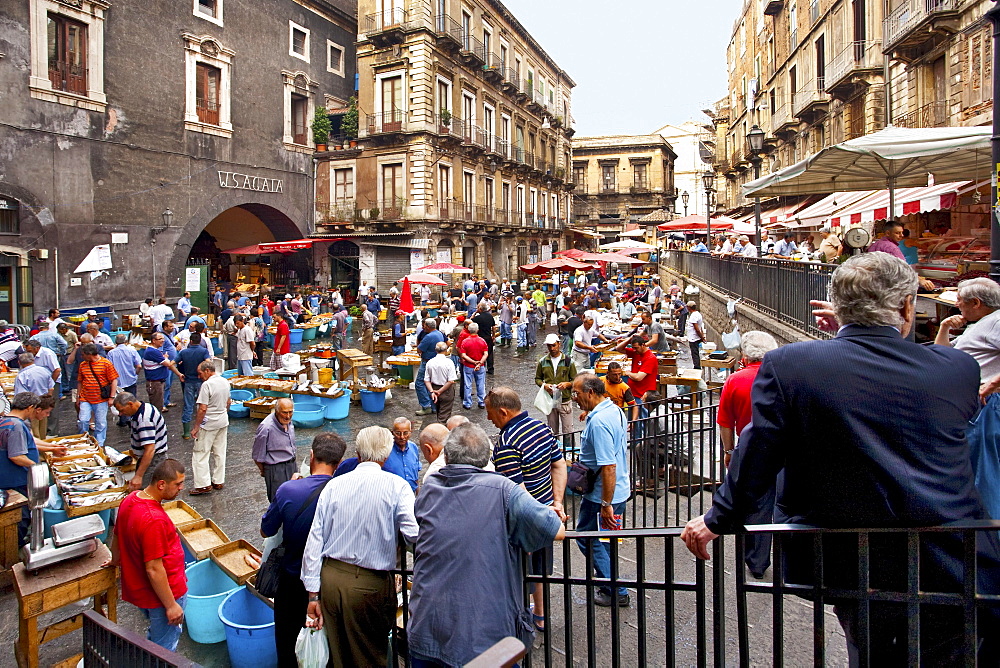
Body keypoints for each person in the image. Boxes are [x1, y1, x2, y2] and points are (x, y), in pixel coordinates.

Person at [683, 252, 1000, 665]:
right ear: (907, 307)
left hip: (849, 559)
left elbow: (758, 452)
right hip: (949, 556)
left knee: (868, 651)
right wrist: (859, 331)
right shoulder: (957, 369)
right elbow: (900, 370)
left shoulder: (791, 365)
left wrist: (716, 520)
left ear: (839, 306)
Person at [407, 423, 565, 665]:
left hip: (427, 624)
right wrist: (552, 512)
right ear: (486, 457)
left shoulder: (429, 488)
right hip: (485, 637)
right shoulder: (503, 489)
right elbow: (554, 529)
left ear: (447, 456)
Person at [302, 426, 418, 668]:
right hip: (369, 583)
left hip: (331, 580)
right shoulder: (398, 487)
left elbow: (315, 541)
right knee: (369, 654)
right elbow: (413, 536)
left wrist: (313, 593)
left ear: (358, 453)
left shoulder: (334, 485)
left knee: (338, 653)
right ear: (385, 456)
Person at [486, 388, 567, 631]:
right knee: (541, 570)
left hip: (525, 521)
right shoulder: (542, 428)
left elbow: (518, 494)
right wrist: (556, 504)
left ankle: (519, 620)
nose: (489, 419)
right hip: (546, 513)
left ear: (503, 411)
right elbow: (559, 465)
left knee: (519, 573)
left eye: (491, 414)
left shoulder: (507, 444)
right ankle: (540, 615)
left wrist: (538, 516)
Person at [261, 432, 345, 666]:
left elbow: (266, 530)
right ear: (338, 464)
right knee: (326, 644)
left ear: (311, 456)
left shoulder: (288, 490)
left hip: (291, 578)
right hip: (328, 581)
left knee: (287, 643)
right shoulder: (343, 492)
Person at [933, 277, 1000, 518]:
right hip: (973, 403)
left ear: (976, 303)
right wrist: (945, 328)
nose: (957, 307)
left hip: (987, 404)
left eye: (961, 303)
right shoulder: (981, 323)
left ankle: (989, 533)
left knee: (985, 469)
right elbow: (944, 355)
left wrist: (995, 382)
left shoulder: (996, 322)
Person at [106, 459, 188, 652]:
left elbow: (118, 534)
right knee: (164, 649)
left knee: (157, 637)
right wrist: (171, 606)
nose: (181, 488)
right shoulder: (154, 519)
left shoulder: (131, 498)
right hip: (163, 594)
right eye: (177, 484)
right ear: (161, 484)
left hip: (143, 591)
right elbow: (153, 569)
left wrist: (114, 560)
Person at [716, 330, 779, 578]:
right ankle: (780, 559)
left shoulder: (735, 380)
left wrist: (729, 451)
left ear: (744, 354)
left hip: (751, 448)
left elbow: (725, 422)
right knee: (779, 503)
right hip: (783, 447)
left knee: (754, 504)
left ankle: (755, 559)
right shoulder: (783, 376)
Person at [571, 372, 631, 607]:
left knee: (587, 538)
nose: (574, 397)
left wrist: (605, 504)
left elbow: (608, 467)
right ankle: (609, 579)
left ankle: (616, 589)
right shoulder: (613, 409)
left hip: (602, 496)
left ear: (591, 392)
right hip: (617, 491)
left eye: (576, 393)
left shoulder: (599, 422)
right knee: (604, 539)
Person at [0, 392, 67, 544]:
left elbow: (29, 442)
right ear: (30, 408)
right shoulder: (16, 426)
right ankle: (13, 549)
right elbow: (16, 456)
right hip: (16, 480)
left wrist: (52, 447)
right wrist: (36, 466)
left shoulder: (6, 422)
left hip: (8, 479)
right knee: (21, 518)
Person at [188, 361, 230, 495]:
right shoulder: (225, 381)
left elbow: (202, 409)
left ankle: (203, 484)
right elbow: (228, 402)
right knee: (220, 451)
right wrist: (223, 414)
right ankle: (218, 480)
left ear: (207, 370)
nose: (199, 376)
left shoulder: (207, 385)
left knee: (200, 453)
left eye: (200, 373)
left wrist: (196, 426)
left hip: (209, 423)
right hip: (223, 421)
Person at [114, 392, 169, 490]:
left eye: (122, 410)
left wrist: (139, 476)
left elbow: (149, 450)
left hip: (153, 460)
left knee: (147, 492)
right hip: (151, 458)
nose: (121, 414)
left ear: (130, 404)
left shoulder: (144, 420)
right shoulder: (146, 407)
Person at [253, 398, 296, 502]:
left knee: (294, 498)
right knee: (277, 501)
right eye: (284, 413)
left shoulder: (288, 422)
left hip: (291, 465)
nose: (288, 416)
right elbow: (257, 456)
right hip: (275, 470)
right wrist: (265, 471)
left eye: (290, 412)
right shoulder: (266, 428)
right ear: (277, 411)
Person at [535, 332, 577, 439]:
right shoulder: (543, 362)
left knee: (568, 431)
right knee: (552, 431)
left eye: (554, 345)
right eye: (549, 346)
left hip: (565, 400)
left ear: (559, 344)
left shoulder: (568, 361)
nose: (552, 348)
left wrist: (567, 384)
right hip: (550, 400)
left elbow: (575, 381)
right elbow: (537, 379)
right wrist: (544, 385)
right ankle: (555, 451)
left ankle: (569, 453)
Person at [75, 343, 118, 446]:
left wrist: (111, 397)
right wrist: (78, 396)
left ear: (89, 354)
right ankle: (83, 440)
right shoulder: (83, 365)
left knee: (101, 423)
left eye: (83, 354)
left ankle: (99, 443)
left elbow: (113, 380)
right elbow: (80, 381)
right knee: (83, 420)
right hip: (85, 398)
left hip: (101, 399)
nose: (82, 357)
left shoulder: (106, 364)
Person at [176, 332, 210, 440]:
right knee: (203, 405)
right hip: (200, 381)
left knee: (188, 406)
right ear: (200, 341)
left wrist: (179, 374)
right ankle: (203, 428)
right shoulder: (203, 351)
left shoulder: (184, 352)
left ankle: (186, 432)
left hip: (188, 381)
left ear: (190, 341)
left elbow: (171, 363)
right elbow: (208, 362)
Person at [15, 353, 55, 438]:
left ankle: (39, 449)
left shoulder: (22, 375)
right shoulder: (44, 370)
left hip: (31, 406)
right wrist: (48, 400)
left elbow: (21, 395)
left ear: (19, 363)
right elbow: (51, 388)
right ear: (33, 360)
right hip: (44, 402)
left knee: (34, 432)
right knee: (42, 430)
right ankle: (44, 448)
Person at [142, 332, 181, 412]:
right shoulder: (153, 352)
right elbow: (168, 364)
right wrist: (167, 358)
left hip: (158, 382)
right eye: (160, 339)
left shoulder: (155, 351)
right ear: (153, 340)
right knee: (157, 408)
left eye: (163, 339)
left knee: (158, 405)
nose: (163, 341)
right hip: (155, 383)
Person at [108, 334, 142, 426]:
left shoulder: (111, 353)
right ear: (126, 341)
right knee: (131, 399)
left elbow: (109, 367)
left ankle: (123, 420)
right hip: (130, 379)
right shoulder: (132, 350)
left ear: (116, 342)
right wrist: (136, 373)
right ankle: (132, 418)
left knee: (120, 401)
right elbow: (139, 365)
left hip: (117, 381)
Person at [615, 334, 660, 403]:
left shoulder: (650, 358)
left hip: (642, 395)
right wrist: (629, 340)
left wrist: (628, 373)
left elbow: (638, 377)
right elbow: (618, 348)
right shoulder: (636, 352)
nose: (634, 350)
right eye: (633, 348)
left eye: (636, 348)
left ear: (643, 345)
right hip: (634, 393)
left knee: (640, 413)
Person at [414, 318, 446, 416]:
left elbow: (419, 350)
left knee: (419, 383)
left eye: (424, 326)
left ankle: (426, 405)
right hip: (436, 361)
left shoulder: (429, 336)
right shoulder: (439, 333)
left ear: (428, 326)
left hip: (427, 362)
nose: (423, 328)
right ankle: (433, 406)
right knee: (431, 384)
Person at [424, 341, 457, 423]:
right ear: (446, 350)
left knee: (439, 412)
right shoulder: (449, 362)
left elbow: (426, 380)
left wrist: (432, 391)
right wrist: (440, 391)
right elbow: (450, 381)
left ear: (435, 350)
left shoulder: (430, 362)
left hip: (434, 388)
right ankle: (441, 432)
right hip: (446, 390)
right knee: (444, 416)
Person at [458, 321, 489, 410]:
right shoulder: (482, 341)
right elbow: (485, 354)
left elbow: (463, 355)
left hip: (468, 366)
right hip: (480, 365)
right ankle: (481, 401)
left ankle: (468, 402)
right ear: (477, 330)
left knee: (467, 384)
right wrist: (479, 363)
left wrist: (473, 362)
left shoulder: (465, 341)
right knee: (481, 384)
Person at [385, 417, 420, 492]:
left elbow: (415, 473)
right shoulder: (386, 451)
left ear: (410, 432)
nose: (402, 437)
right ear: (392, 433)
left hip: (411, 492)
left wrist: (418, 492)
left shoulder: (414, 448)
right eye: (398, 433)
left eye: (405, 433)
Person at [472, 303, 496, 375]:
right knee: (489, 353)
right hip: (488, 337)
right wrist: (493, 335)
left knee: (480, 353)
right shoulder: (490, 316)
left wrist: (474, 313)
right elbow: (493, 327)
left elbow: (470, 321)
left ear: (480, 309)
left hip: (480, 338)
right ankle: (490, 368)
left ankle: (481, 366)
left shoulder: (478, 318)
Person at [57, 322, 79, 399]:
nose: (59, 332)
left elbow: (76, 343)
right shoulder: (59, 335)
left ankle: (71, 388)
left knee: (70, 372)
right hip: (62, 354)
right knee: (62, 372)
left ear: (64, 329)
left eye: (60, 330)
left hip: (69, 354)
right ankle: (65, 387)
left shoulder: (72, 334)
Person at [685, 301, 706, 370]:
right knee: (695, 352)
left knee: (695, 353)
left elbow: (697, 328)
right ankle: (697, 366)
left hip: (693, 338)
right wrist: (702, 336)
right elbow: (700, 327)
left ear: (689, 308)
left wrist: (702, 337)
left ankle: (697, 367)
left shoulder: (693, 316)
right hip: (695, 337)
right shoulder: (698, 314)